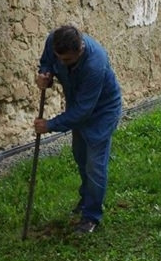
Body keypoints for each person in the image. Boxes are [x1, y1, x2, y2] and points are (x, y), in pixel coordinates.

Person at [34, 25, 123, 234]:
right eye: (60, 58)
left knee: (94, 164)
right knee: (80, 156)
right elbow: (47, 62)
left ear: (80, 49)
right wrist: (45, 74)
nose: (62, 63)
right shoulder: (54, 41)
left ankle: (91, 216)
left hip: (102, 112)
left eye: (67, 60)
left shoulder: (95, 64)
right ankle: (86, 199)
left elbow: (83, 111)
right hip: (78, 106)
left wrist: (50, 125)